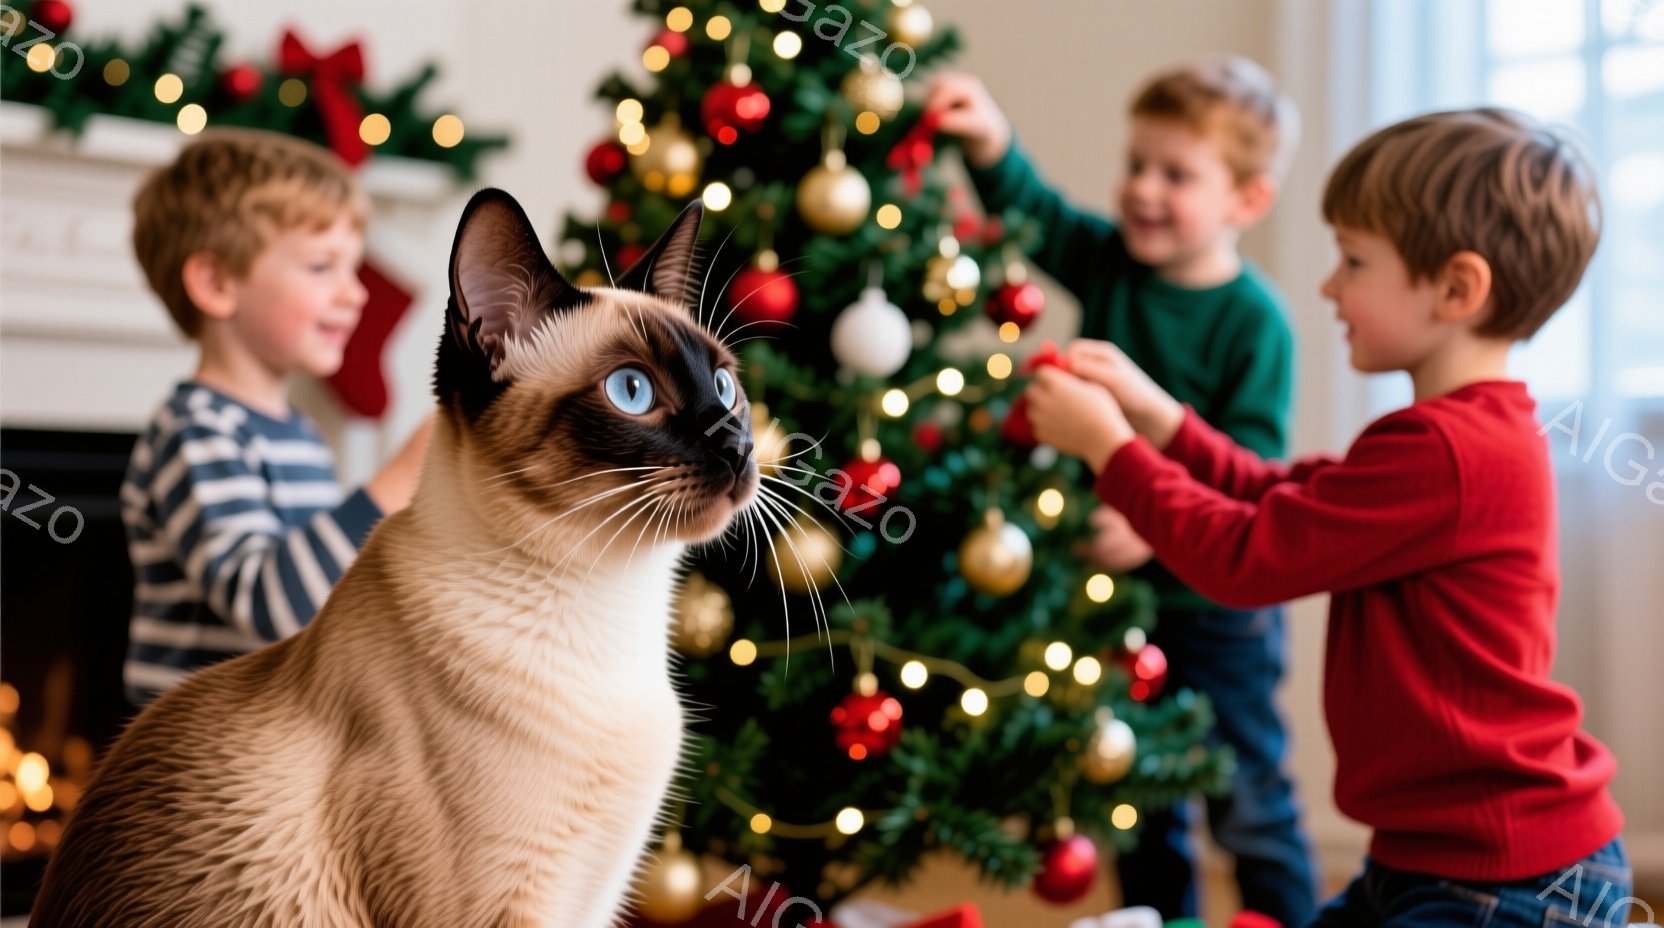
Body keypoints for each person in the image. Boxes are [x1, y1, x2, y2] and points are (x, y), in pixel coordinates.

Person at [1024, 107, 1629, 927]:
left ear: (1457, 288)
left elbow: (1246, 557)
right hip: (1431, 858)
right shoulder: (1451, 436)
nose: (1329, 285)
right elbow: (1278, 493)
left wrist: (1111, 449)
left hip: (1503, 879)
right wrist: (1163, 419)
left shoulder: (1449, 450)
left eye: (1352, 261)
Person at [928, 59, 1317, 923]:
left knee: (1248, 797)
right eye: (1136, 163)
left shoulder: (1254, 321)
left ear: (1246, 201)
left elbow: (1250, 465)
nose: (1142, 189)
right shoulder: (1110, 263)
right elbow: (1037, 213)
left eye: (1175, 174)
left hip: (1220, 609)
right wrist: (990, 139)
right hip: (1116, 602)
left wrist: (1153, 520)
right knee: (1134, 788)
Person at [121, 129, 431, 704]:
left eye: (354, 267)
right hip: (197, 768)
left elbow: (324, 587)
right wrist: (399, 479)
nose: (355, 294)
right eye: (322, 267)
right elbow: (272, 606)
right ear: (217, 283)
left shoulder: (301, 434)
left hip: (270, 751)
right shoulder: (198, 432)